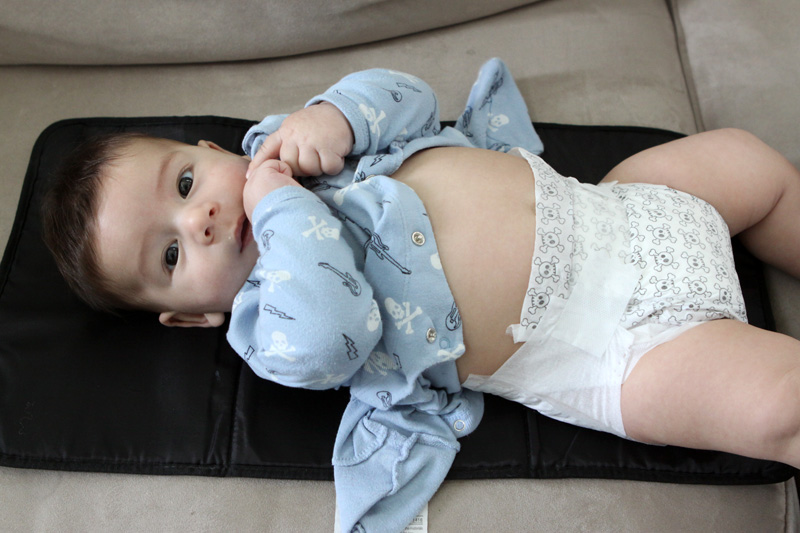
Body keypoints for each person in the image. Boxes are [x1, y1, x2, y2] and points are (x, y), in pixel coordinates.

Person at [42, 59, 800, 533]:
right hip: (617, 349)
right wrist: (278, 208)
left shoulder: (295, 144)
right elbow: (333, 331)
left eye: (184, 183)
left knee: (747, 165)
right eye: (171, 253)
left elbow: (410, 99)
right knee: (779, 404)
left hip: (620, 206)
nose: (200, 219)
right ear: (192, 316)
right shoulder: (271, 321)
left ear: (212, 151)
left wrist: (335, 115)